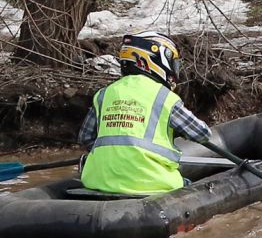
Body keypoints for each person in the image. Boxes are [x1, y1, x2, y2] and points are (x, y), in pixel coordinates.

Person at [78, 32, 213, 196]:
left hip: (98, 182)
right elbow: (203, 134)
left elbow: (85, 138)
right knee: (188, 186)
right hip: (150, 183)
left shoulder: (103, 94)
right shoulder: (164, 98)